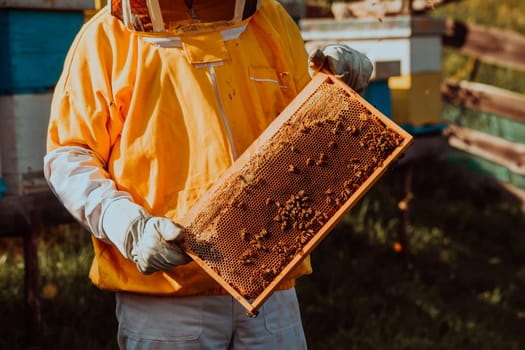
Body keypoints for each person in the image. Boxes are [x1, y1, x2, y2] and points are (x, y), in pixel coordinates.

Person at [44, 0, 373, 348]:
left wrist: (334, 87)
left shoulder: (270, 21)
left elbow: (301, 131)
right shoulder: (106, 38)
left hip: (272, 289)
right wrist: (129, 226)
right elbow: (70, 154)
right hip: (168, 298)